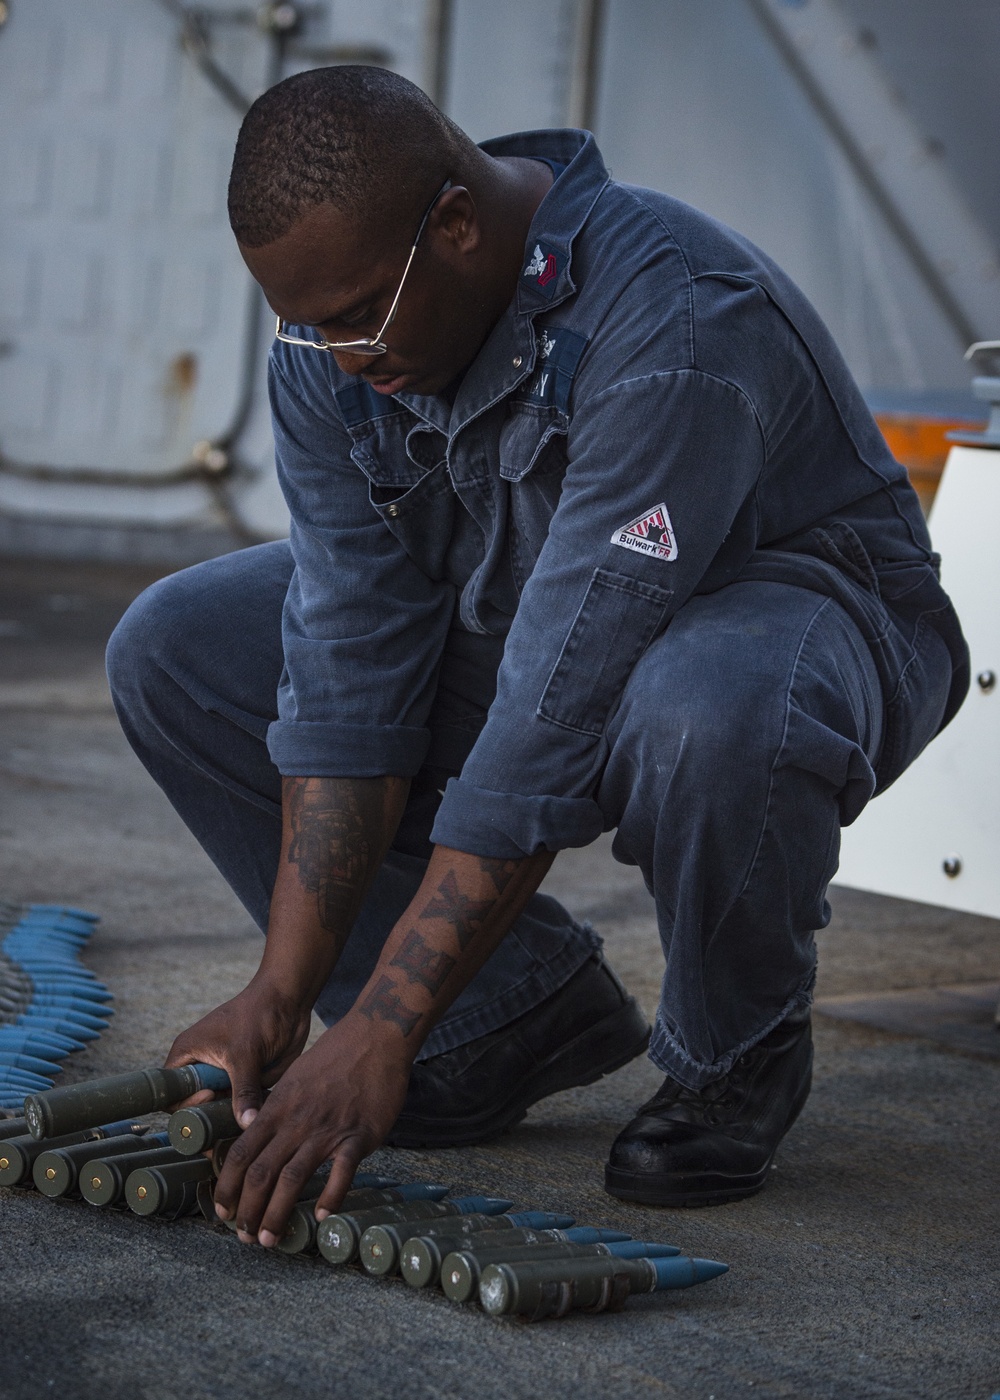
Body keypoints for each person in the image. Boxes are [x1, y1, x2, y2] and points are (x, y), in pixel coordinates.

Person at [106, 65, 967, 1247]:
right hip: (531, 604)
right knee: (177, 645)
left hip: (800, 607)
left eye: (356, 313)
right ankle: (509, 1016)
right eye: (304, 320)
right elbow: (350, 654)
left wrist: (382, 1026)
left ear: (455, 226)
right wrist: (285, 992)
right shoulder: (336, 339)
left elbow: (556, 708)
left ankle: (736, 1051)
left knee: (700, 707)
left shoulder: (669, 321)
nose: (336, 351)